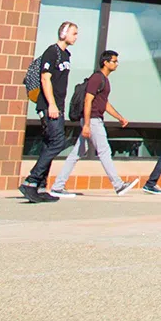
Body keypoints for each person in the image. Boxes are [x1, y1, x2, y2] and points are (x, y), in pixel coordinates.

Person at [49, 48, 135, 196]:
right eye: (114, 61)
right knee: (104, 151)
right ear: (105, 62)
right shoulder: (97, 78)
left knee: (77, 153)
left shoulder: (104, 80)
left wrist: (119, 117)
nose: (117, 64)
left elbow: (104, 103)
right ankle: (118, 184)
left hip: (94, 119)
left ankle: (57, 186)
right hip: (93, 120)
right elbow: (88, 100)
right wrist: (87, 124)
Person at [19, 20, 80, 203]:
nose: (76, 37)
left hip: (57, 106)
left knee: (49, 143)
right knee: (57, 141)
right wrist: (51, 105)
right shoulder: (51, 52)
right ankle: (31, 180)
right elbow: (46, 79)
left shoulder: (66, 55)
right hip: (48, 106)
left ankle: (40, 186)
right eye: (74, 33)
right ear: (64, 34)